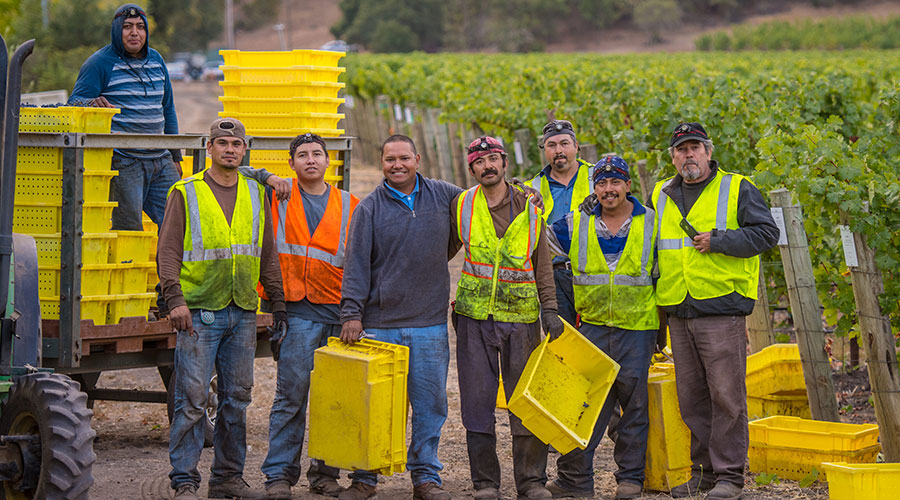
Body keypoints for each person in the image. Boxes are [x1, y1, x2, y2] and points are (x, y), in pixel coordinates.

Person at [68, 3, 288, 316]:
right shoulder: (100, 63)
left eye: (140, 27)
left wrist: (174, 155)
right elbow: (73, 100)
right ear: (117, 31)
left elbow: (168, 108)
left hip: (160, 161)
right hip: (124, 161)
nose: (135, 33)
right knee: (130, 231)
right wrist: (90, 102)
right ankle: (126, 302)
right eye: (128, 27)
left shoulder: (156, 60)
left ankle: (166, 298)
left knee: (181, 228)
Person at [158, 117, 287, 500]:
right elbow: (167, 250)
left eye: (236, 144)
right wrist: (174, 300)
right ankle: (184, 480)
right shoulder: (186, 191)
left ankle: (228, 478)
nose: (229, 149)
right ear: (209, 147)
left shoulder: (254, 191)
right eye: (222, 143)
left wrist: (277, 303)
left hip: (242, 309)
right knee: (193, 400)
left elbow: (266, 251)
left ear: (245, 150)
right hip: (199, 312)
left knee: (237, 399)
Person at [652, 123, 778, 500]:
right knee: (692, 398)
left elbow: (766, 234)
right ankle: (703, 473)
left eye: (694, 148)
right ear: (673, 157)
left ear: (708, 152)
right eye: (681, 150)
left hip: (721, 309)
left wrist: (721, 241)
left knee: (726, 395)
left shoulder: (737, 187)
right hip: (679, 308)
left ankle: (729, 477)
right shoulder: (661, 192)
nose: (688, 155)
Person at [338, 135, 463, 500]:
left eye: (404, 158)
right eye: (390, 159)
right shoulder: (370, 209)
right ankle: (365, 478)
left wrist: (524, 194)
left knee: (430, 404)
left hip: (429, 324)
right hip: (379, 325)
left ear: (418, 159)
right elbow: (356, 264)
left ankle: (425, 477)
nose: (398, 165)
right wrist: (352, 314)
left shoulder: (445, 195)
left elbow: (482, 205)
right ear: (381, 163)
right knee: (374, 405)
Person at [449, 137, 563, 500]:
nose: (488, 166)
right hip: (473, 319)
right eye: (480, 162)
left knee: (526, 401)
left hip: (522, 319)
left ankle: (531, 482)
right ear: (472, 169)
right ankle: (486, 483)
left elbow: (542, 263)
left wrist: (550, 310)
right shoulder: (463, 204)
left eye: (494, 159)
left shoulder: (529, 205)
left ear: (505, 164)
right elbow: (443, 250)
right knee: (477, 403)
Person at [545, 156, 659, 500]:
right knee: (583, 407)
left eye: (615, 182)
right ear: (594, 188)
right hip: (590, 328)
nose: (608, 190)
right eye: (601, 183)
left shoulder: (653, 224)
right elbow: (539, 247)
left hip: (637, 329)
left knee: (635, 408)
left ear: (627, 185)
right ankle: (575, 480)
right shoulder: (573, 223)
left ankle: (630, 479)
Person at [258, 133, 359, 500]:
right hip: (297, 313)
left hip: (338, 314)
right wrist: (267, 176)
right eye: (302, 155)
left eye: (317, 154)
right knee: (291, 398)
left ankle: (325, 473)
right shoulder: (277, 197)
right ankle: (279, 476)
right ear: (291, 163)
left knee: (333, 399)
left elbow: (361, 261)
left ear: (329, 161)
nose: (310, 160)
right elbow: (238, 170)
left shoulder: (350, 204)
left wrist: (355, 313)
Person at [529, 120, 596, 326]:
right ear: (544, 150)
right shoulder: (532, 187)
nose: (558, 150)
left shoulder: (599, 178)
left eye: (564, 143)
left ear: (577, 147)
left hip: (595, 273)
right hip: (554, 277)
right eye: (552, 145)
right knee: (564, 343)